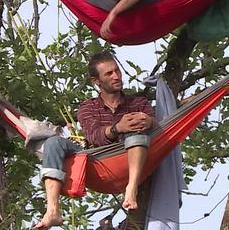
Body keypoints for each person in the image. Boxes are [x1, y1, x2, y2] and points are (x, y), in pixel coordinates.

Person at [34, 51, 156, 229]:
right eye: (109, 73)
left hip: (132, 157)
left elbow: (157, 131)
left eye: (117, 71)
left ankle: (132, 188)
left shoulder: (139, 102)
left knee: (136, 129)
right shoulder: (87, 107)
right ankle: (52, 210)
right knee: (53, 142)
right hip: (97, 161)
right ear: (96, 81)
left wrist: (150, 121)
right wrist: (117, 128)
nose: (116, 76)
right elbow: (93, 136)